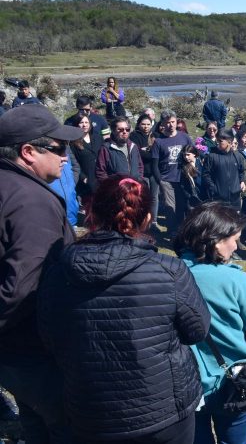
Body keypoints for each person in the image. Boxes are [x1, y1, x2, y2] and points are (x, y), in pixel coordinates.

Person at [37, 175, 211, 443]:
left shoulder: (58, 272)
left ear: (92, 212)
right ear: (148, 219)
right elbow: (197, 330)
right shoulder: (169, 271)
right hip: (162, 409)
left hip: (91, 409)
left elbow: (49, 338)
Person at [0, 104, 81, 443]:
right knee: (66, 429)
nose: (66, 157)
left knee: (34, 425)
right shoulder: (32, 202)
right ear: (28, 152)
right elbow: (25, 286)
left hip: (14, 353)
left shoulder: (7, 186)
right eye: (59, 148)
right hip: (36, 351)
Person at [173, 203, 246, 444]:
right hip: (236, 379)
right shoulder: (237, 280)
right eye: (235, 239)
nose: (236, 246)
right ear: (216, 241)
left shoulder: (169, 275)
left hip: (187, 382)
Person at [152, 110, 194, 234]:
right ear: (163, 124)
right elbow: (155, 165)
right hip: (167, 179)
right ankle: (172, 232)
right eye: (167, 123)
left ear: (176, 121)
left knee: (182, 206)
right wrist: (160, 181)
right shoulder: (159, 141)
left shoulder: (184, 137)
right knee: (171, 208)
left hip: (183, 178)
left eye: (173, 122)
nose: (171, 125)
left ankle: (182, 231)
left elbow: (194, 153)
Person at [202, 129, 245, 210]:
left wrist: (242, 181)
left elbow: (241, 171)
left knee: (234, 221)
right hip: (218, 199)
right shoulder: (212, 156)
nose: (217, 142)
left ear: (229, 142)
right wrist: (214, 189)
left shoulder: (237, 156)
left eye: (220, 141)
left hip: (235, 198)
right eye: (217, 140)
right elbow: (205, 175)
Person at [131, 113, 160, 229]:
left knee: (154, 197)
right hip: (141, 171)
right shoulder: (133, 136)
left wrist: (148, 152)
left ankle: (153, 220)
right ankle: (142, 219)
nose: (146, 126)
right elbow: (137, 153)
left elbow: (158, 153)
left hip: (154, 171)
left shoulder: (156, 135)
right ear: (138, 124)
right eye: (143, 124)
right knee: (142, 197)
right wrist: (151, 152)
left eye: (148, 124)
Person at [95, 116, 144, 182]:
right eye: (120, 129)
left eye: (127, 129)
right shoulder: (106, 148)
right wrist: (110, 187)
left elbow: (140, 166)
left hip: (134, 188)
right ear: (113, 130)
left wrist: (139, 180)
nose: (124, 132)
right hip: (116, 189)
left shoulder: (133, 146)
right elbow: (100, 172)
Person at [69, 113, 104, 198]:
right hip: (87, 181)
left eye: (86, 122)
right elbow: (73, 163)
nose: (84, 125)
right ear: (76, 124)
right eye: (81, 122)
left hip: (101, 177)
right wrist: (83, 178)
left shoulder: (98, 138)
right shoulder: (73, 143)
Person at [178, 144, 204, 216]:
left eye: (188, 155)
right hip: (192, 197)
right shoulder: (184, 168)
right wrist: (189, 195)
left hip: (203, 194)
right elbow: (183, 185)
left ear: (194, 154)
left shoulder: (202, 163)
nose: (186, 157)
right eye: (184, 155)